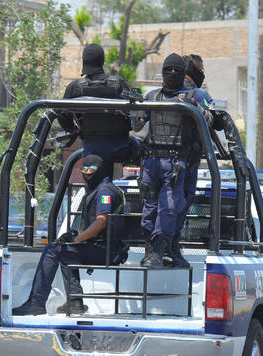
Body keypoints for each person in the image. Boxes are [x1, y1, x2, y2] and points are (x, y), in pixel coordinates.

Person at [13, 155, 127, 316]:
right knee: (65, 251)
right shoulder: (97, 189)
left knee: (53, 250)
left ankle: (36, 303)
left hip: (108, 250)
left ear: (100, 171)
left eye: (91, 170)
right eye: (84, 169)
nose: (87, 173)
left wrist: (77, 239)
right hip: (103, 247)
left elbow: (101, 222)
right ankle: (74, 302)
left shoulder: (105, 191)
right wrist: (72, 237)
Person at [134, 53, 214, 268]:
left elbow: (212, 119)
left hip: (179, 162)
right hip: (152, 161)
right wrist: (134, 108)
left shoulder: (196, 96)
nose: (171, 74)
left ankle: (164, 248)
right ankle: (153, 250)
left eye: (176, 70)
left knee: (171, 207)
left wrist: (194, 106)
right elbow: (137, 124)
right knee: (151, 207)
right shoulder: (153, 96)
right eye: (167, 70)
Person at [57, 43, 136, 178]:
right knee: (141, 147)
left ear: (84, 61)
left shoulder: (74, 87)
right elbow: (132, 113)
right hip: (119, 148)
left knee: (93, 182)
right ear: (102, 61)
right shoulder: (118, 83)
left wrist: (74, 129)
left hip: (91, 148)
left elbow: (63, 115)